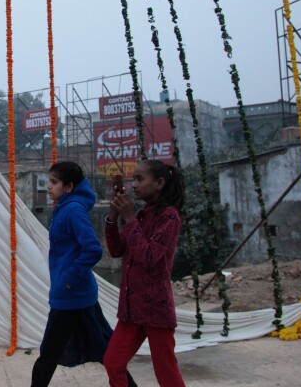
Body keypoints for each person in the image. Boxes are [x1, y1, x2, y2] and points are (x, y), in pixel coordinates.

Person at [31, 161, 137, 387]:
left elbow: (93, 249)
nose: (48, 187)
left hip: (71, 296)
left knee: (48, 355)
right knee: (104, 352)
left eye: (54, 182)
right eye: (49, 181)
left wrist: (68, 280)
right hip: (76, 295)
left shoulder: (73, 210)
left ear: (69, 187)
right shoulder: (64, 207)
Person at [103, 160, 186, 387]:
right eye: (133, 179)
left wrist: (129, 218)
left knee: (166, 373)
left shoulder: (169, 218)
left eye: (140, 179)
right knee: (113, 363)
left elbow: (149, 256)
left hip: (156, 309)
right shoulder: (141, 215)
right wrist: (112, 218)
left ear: (159, 183)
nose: (133, 185)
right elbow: (116, 250)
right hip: (131, 309)